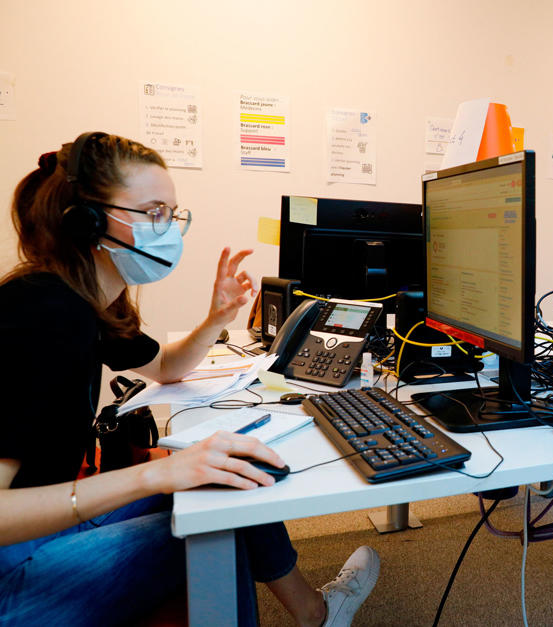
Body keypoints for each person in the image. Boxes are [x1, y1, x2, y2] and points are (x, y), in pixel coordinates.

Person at [0, 132, 379, 627]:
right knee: (218, 519)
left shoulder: (83, 301)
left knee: (227, 471)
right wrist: (153, 473)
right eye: (154, 211)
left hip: (36, 535)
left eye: (173, 213)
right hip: (12, 578)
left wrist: (217, 318)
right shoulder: (44, 315)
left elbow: (167, 367)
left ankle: (314, 614)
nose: (169, 229)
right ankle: (312, 612)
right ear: (87, 223)